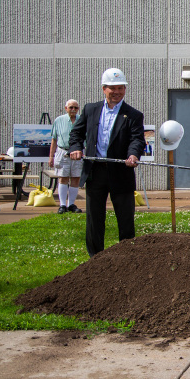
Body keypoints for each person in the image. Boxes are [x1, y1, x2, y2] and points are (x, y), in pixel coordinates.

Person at [69, 68, 145, 257]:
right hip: (95, 172)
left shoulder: (133, 115)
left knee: (125, 219)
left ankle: (126, 258)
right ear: (104, 89)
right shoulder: (90, 110)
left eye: (121, 88)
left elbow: (137, 139)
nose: (117, 92)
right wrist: (76, 148)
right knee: (94, 219)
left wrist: (133, 155)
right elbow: (76, 133)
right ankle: (95, 259)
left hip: (121, 172)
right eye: (113, 88)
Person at [49, 100, 83, 214]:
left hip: (77, 153)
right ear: (66, 108)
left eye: (76, 108)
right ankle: (62, 204)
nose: (73, 110)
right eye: (71, 107)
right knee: (63, 178)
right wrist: (51, 157)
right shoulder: (59, 120)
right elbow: (54, 139)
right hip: (63, 151)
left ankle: (71, 204)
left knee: (76, 177)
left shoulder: (81, 120)